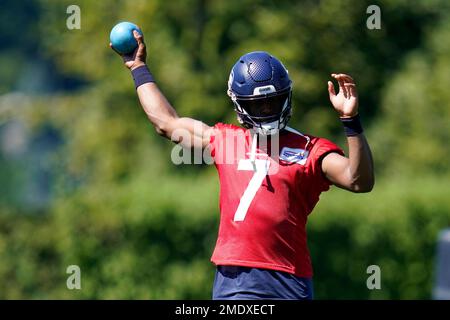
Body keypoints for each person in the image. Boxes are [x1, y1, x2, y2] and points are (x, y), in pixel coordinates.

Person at [111, 30, 374, 300]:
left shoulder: (309, 148)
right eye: (258, 105)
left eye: (273, 102)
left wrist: (350, 120)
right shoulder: (227, 140)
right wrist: (138, 67)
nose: (267, 110)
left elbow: (359, 180)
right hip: (234, 280)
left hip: (288, 280)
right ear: (240, 104)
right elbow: (166, 123)